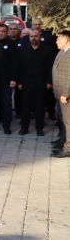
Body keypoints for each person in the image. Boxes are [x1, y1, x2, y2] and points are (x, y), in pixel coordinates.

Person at [17, 30, 53, 136]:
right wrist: (19, 81)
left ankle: (39, 128)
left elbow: (51, 67)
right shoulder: (23, 51)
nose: (33, 38)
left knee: (40, 107)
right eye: (31, 36)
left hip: (41, 83)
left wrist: (49, 81)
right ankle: (24, 127)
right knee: (25, 106)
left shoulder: (47, 50)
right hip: (26, 83)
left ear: (39, 37)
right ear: (29, 38)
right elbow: (19, 68)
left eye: (36, 36)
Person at [52, 30, 70, 158]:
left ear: (66, 40)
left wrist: (65, 93)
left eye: (58, 39)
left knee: (68, 122)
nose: (56, 41)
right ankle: (64, 142)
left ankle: (68, 148)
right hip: (59, 94)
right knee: (64, 121)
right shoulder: (62, 52)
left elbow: (69, 76)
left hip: (65, 95)